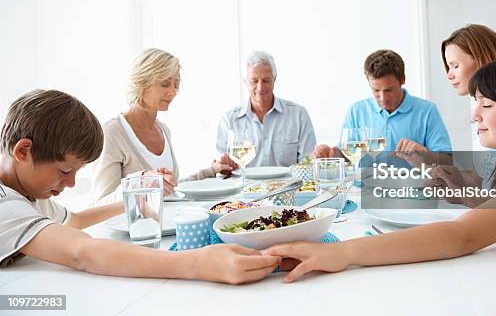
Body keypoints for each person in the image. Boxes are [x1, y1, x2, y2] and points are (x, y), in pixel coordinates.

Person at [267, 55, 496, 304]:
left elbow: (461, 236)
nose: (474, 115)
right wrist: (465, 194)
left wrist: (343, 253)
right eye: (475, 103)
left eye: (487, 104)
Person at [0, 89, 279, 283]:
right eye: (64, 171)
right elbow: (83, 252)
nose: (71, 183)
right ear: (24, 151)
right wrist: (199, 262)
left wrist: (134, 198)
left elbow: (72, 221)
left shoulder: (26, 192)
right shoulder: (6, 204)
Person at [93, 49, 232, 205]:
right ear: (142, 82)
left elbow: (171, 190)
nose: (173, 92)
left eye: (176, 84)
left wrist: (212, 171)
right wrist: (140, 181)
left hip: (169, 224)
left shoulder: (163, 130)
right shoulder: (112, 133)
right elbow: (101, 204)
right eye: (165, 84)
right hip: (136, 229)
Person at [312, 49, 451, 162]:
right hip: (366, 190)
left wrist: (423, 153)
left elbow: (447, 160)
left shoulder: (427, 111)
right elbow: (346, 154)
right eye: (376, 91)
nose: (383, 98)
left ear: (403, 79)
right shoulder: (357, 111)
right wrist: (330, 153)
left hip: (411, 189)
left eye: (389, 90)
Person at [441, 24, 496, 189]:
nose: (449, 75)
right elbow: (484, 176)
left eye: (455, 66)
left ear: (482, 59)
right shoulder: (476, 104)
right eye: (448, 67)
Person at [216, 51, 316, 168]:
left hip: (288, 186)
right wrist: (224, 168)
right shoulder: (229, 120)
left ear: (275, 79)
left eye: (266, 80)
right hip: (244, 186)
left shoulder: (299, 115)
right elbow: (220, 168)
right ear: (245, 82)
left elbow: (309, 163)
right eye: (254, 81)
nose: (260, 87)